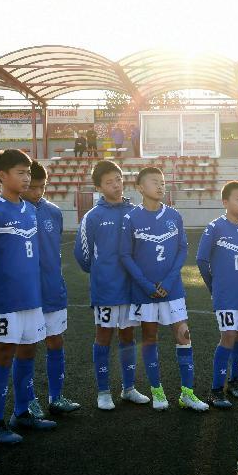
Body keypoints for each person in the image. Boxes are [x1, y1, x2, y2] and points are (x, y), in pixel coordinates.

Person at [0, 149, 56, 444]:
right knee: (4, 355)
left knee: (27, 352)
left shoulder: (30, 210)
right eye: (20, 173)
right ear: (2, 176)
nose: (26, 178)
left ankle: (21, 412)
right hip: (5, 301)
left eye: (28, 173)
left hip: (31, 298)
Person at [119, 167, 208, 412]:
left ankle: (187, 394)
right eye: (155, 182)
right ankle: (157, 391)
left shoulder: (174, 215)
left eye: (163, 182)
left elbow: (182, 250)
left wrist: (168, 282)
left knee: (184, 336)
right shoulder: (131, 218)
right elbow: (125, 255)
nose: (160, 186)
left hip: (173, 290)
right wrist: (147, 285)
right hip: (143, 292)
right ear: (140, 187)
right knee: (149, 339)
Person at [75, 160, 149, 410]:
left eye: (118, 179)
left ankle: (128, 388)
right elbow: (83, 256)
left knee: (128, 336)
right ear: (98, 187)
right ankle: (103, 391)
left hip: (131, 289)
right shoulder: (92, 217)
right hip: (106, 289)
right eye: (109, 182)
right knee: (104, 336)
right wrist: (102, 272)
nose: (116, 185)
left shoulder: (136, 212)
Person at [19, 162, 80, 417]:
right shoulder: (11, 212)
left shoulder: (53, 211)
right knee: (27, 347)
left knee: (56, 341)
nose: (37, 192)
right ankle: (27, 401)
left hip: (53, 289)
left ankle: (57, 396)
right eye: (32, 187)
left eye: (42, 187)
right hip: (24, 294)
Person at [196, 181, 238, 409]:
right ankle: (215, 390)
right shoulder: (215, 227)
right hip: (225, 295)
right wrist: (215, 287)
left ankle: (234, 383)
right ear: (225, 202)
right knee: (228, 337)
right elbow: (201, 260)